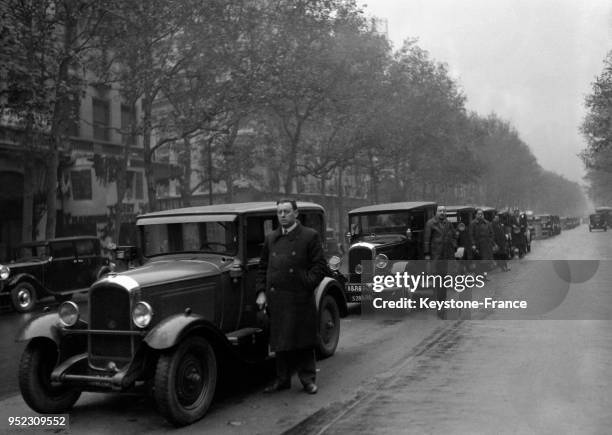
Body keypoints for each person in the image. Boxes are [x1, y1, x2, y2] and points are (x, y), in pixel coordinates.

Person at [256, 199, 327, 395]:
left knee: (303, 340)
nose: (282, 215)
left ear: (296, 213)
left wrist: (306, 283)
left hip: (299, 298)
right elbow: (263, 268)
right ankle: (282, 379)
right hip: (277, 298)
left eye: (286, 211)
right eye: (279, 212)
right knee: (280, 341)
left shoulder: (309, 236)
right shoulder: (271, 238)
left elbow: (320, 267)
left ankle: (308, 380)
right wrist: (261, 292)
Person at [423, 206, 457, 317]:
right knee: (438, 282)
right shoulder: (430, 223)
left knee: (444, 282)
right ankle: (440, 307)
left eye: (444, 211)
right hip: (436, 257)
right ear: (436, 212)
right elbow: (427, 240)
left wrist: (454, 246)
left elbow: (453, 236)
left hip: (447, 256)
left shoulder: (449, 223)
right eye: (440, 211)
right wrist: (427, 255)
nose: (442, 213)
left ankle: (442, 304)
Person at [469, 208, 495, 276]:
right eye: (478, 214)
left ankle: (484, 276)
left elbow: (491, 233)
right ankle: (478, 276)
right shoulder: (473, 224)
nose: (480, 215)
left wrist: (490, 241)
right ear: (476, 215)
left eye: (481, 214)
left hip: (486, 245)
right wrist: (473, 244)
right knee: (478, 262)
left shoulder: (487, 223)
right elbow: (471, 235)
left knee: (485, 262)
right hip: (478, 246)